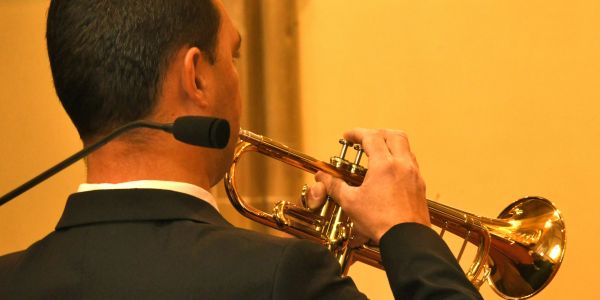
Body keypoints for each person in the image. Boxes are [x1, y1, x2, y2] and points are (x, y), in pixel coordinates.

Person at [0, 0, 482, 299]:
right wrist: (406, 231)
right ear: (196, 76)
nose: (236, 74)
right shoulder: (283, 277)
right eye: (232, 55)